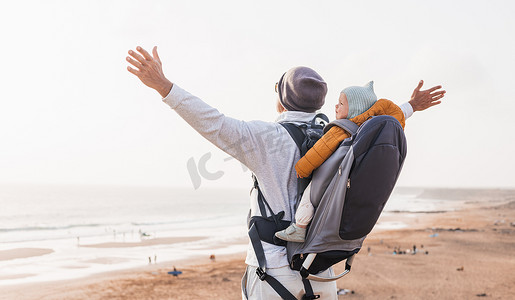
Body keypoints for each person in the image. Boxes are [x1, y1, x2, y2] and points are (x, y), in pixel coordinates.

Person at [126, 45, 445, 299]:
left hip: (272, 273)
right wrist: (410, 106)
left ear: (282, 99)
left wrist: (163, 86)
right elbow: (373, 119)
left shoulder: (263, 138)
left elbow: (212, 122)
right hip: (322, 271)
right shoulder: (342, 130)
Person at [275, 81, 406, 243]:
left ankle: (299, 227)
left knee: (308, 195)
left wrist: (302, 169)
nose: (336, 106)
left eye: (341, 103)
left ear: (355, 109)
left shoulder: (341, 130)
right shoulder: (368, 132)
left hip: (329, 177)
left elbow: (319, 151)